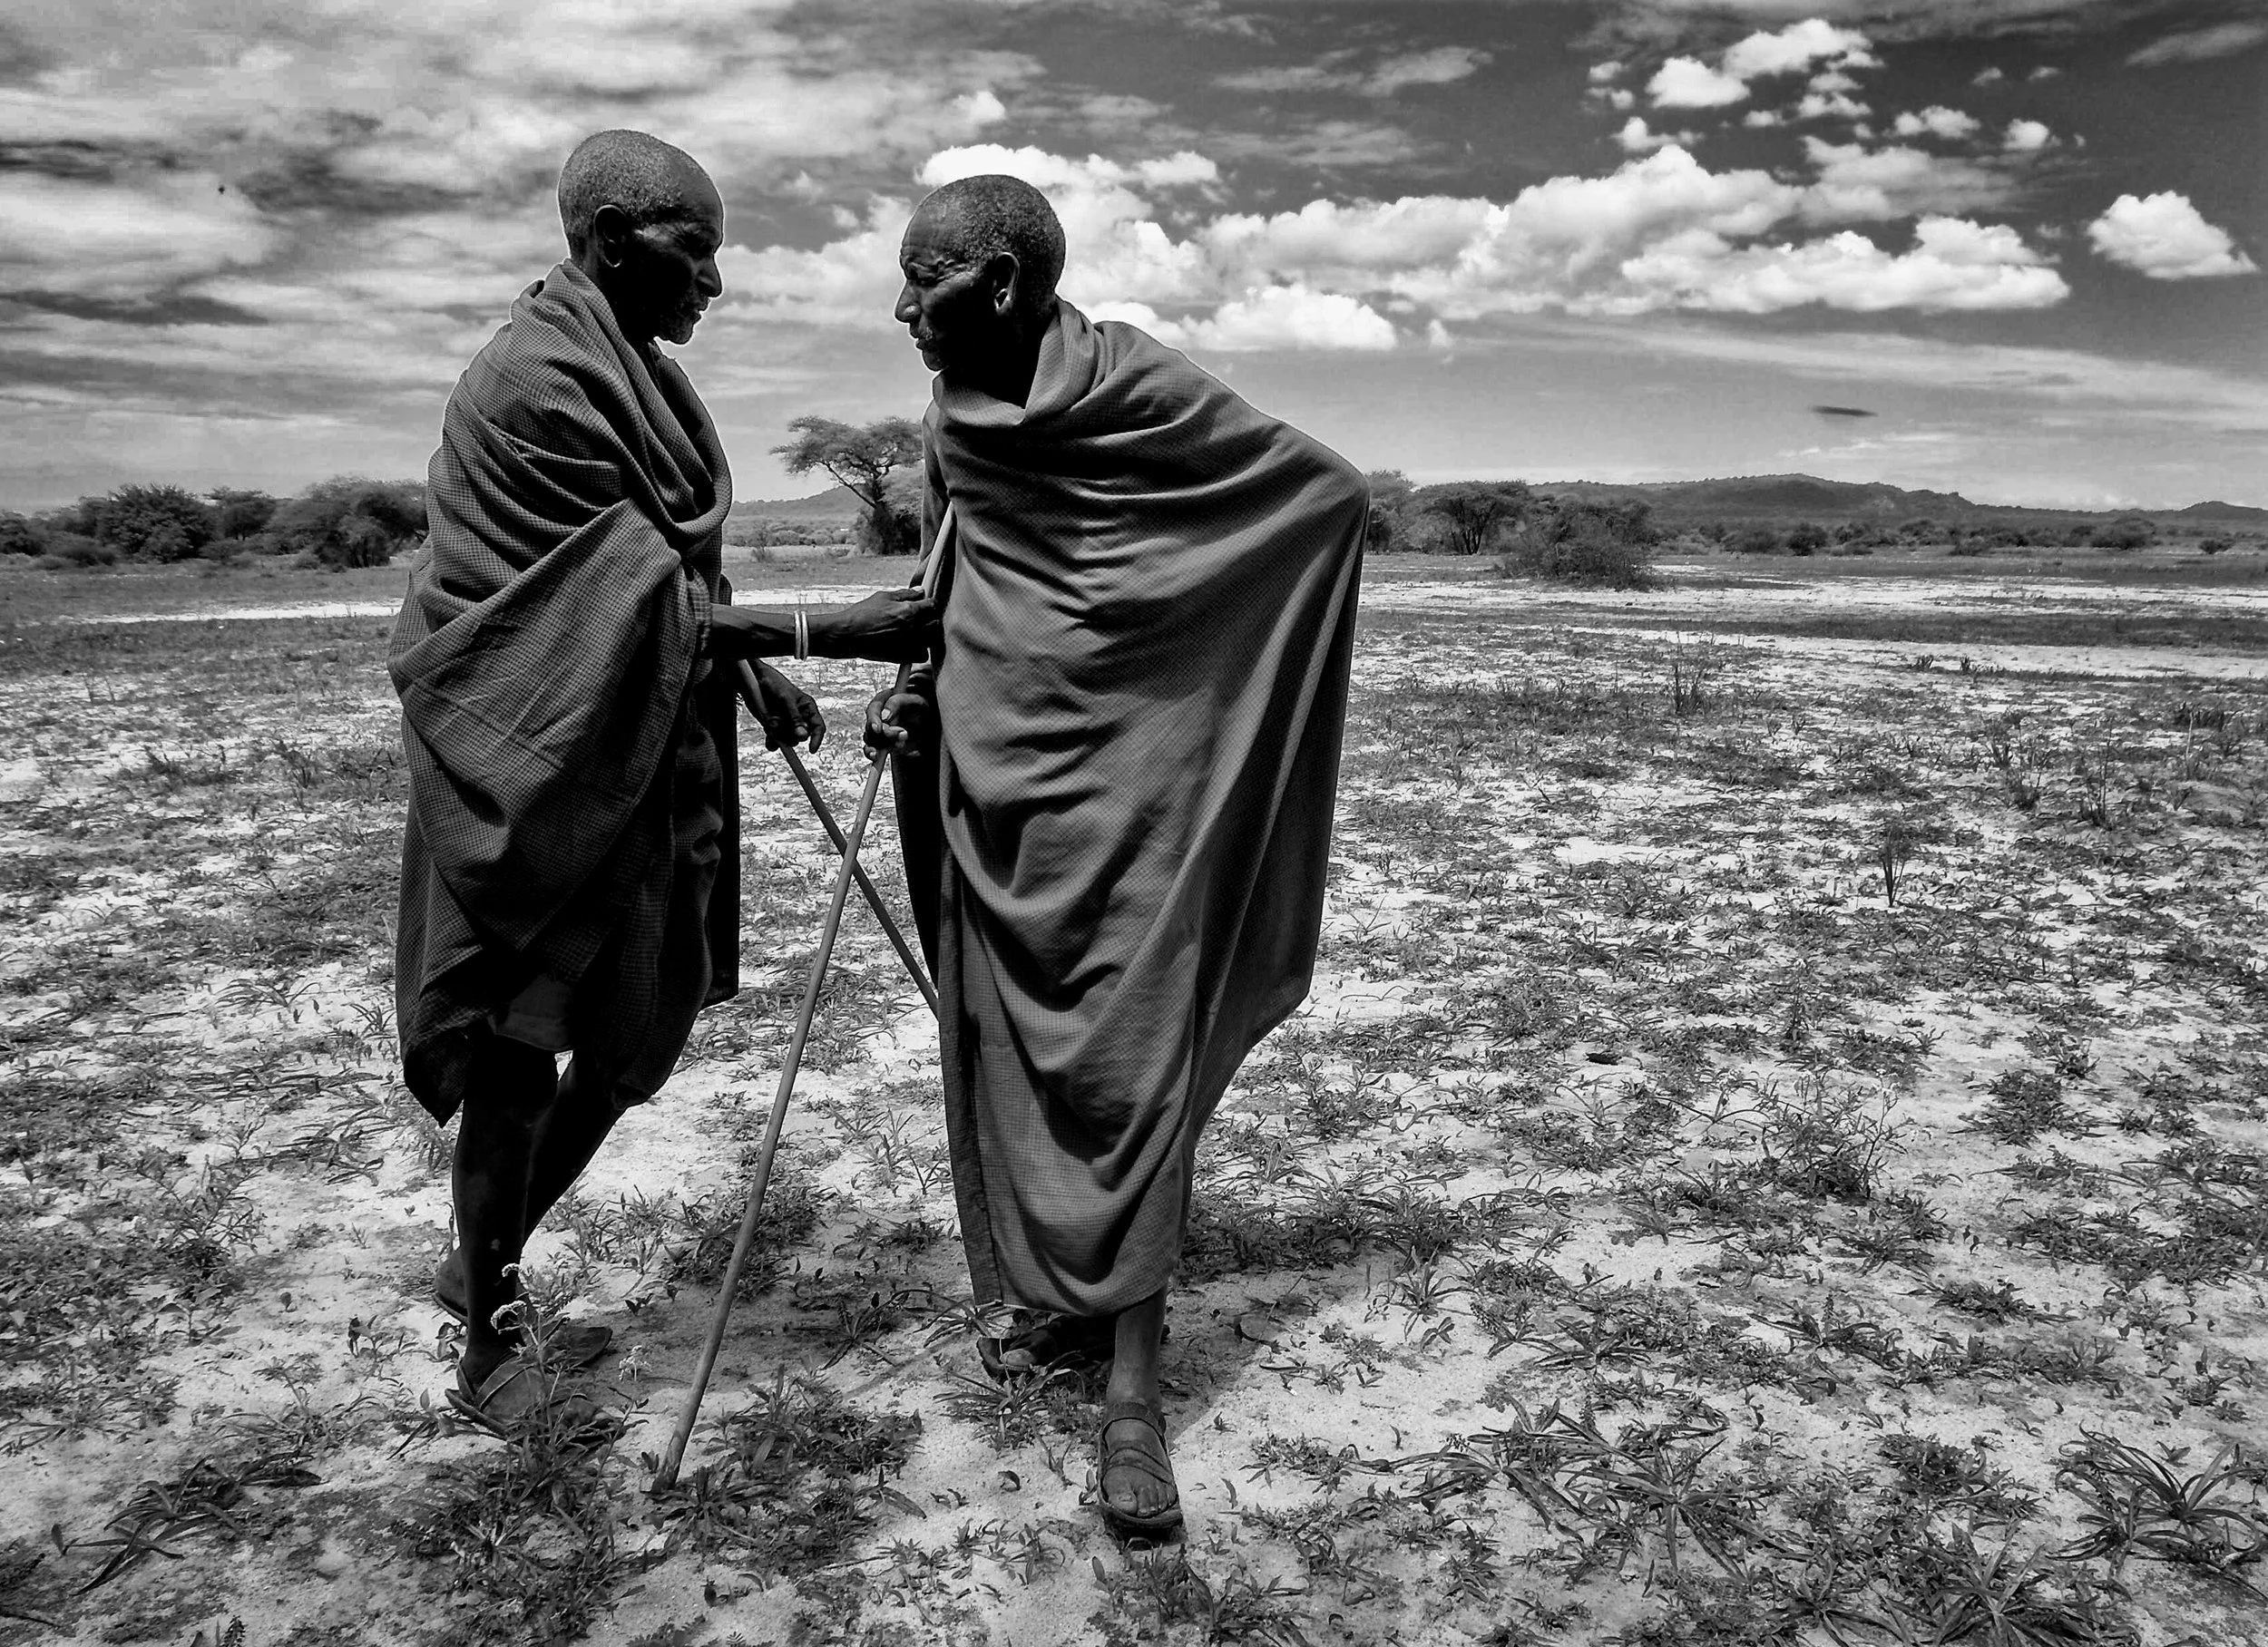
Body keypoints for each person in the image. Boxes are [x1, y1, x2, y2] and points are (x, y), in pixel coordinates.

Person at [391, 129, 936, 1423]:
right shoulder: (531, 383)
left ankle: (484, 1260)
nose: (715, 286)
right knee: (522, 1055)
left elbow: (665, 580)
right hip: (533, 769)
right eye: (696, 255)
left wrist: (746, 669)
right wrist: (821, 631)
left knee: (647, 1028)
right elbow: (588, 601)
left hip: (639, 754)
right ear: (611, 240)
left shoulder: (638, 373)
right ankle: (489, 1342)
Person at [867, 174, 1366, 1536]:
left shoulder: (1138, 389)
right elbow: (958, 575)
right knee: (1011, 1053)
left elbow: (1316, 497)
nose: (906, 309)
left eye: (928, 281)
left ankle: (1136, 1389)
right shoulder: (953, 420)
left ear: (1007, 285)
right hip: (994, 777)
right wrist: (912, 674)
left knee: (1127, 1066)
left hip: (1139, 795)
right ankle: (1053, 1304)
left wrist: (1192, 683)